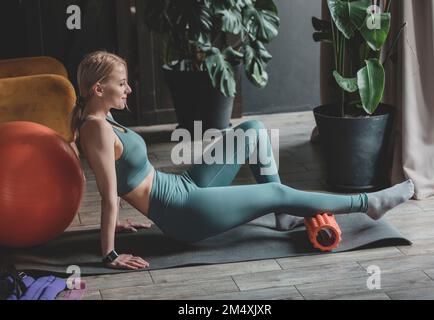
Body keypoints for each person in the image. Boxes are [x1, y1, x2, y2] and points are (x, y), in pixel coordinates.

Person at [70, 51, 415, 270]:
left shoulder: (103, 119)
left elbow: (116, 177)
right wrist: (110, 254)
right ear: (99, 89)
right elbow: (107, 192)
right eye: (122, 83)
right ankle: (367, 203)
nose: (128, 89)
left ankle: (282, 215)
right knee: (278, 191)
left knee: (251, 130)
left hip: (181, 186)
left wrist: (118, 224)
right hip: (182, 212)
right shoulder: (96, 129)